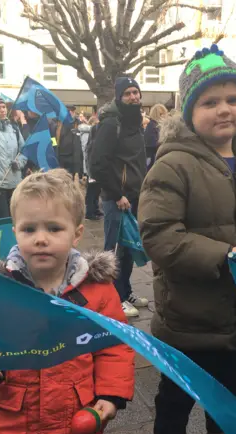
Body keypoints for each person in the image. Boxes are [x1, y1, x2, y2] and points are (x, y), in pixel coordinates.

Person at [138, 45, 236, 434]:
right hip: (189, 320)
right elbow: (159, 235)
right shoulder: (172, 165)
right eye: (209, 102)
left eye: (233, 99)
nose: (224, 109)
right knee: (175, 403)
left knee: (226, 407)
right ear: (188, 110)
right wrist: (222, 255)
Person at [0, 169, 135, 434]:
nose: (40, 239)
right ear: (14, 231)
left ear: (76, 233)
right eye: (29, 229)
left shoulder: (97, 290)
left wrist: (110, 395)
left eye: (53, 228)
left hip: (73, 425)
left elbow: (114, 346)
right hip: (14, 429)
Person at [90, 77, 148, 317]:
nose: (133, 97)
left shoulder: (134, 122)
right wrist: (117, 194)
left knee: (130, 246)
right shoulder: (111, 123)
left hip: (134, 196)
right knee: (114, 250)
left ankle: (125, 291)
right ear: (119, 97)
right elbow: (98, 164)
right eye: (128, 94)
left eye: (136, 92)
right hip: (118, 199)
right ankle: (113, 297)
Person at [83, 116, 102, 221]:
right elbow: (86, 154)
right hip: (91, 169)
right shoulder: (91, 141)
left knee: (96, 190)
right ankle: (90, 212)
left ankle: (95, 209)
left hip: (93, 168)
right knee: (91, 191)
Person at [144, 104, 167, 170]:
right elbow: (154, 144)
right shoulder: (153, 126)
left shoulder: (152, 125)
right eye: (163, 114)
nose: (165, 116)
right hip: (152, 158)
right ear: (159, 114)